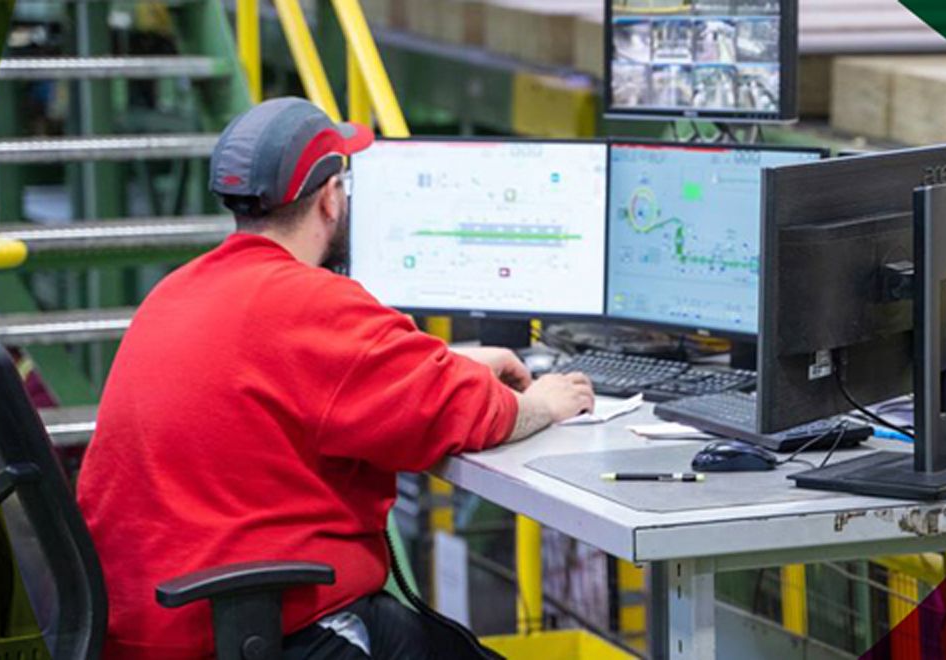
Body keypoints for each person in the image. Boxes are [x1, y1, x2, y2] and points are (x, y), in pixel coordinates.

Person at [76, 97, 595, 659]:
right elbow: (465, 414)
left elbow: (308, 381)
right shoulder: (313, 303)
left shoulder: (180, 290)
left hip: (147, 625)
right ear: (328, 199)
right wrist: (544, 402)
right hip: (253, 631)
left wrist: (451, 365)